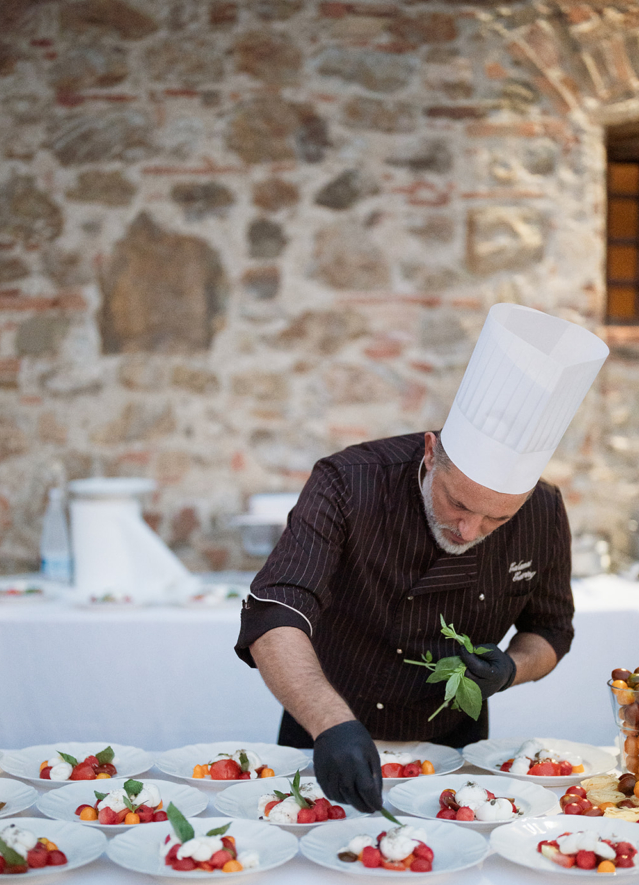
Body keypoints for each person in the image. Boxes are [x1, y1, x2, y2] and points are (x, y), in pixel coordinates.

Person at [235, 304, 609, 812]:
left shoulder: (543, 511)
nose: (469, 530)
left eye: (497, 521)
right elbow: (275, 612)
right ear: (431, 453)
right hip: (329, 734)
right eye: (457, 503)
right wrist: (330, 723)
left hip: (456, 757)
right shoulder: (348, 483)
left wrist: (511, 668)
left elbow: (551, 630)